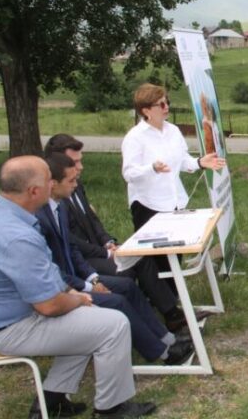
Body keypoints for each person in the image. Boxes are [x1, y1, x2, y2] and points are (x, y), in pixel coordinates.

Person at [0, 156, 156, 418]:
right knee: (112, 325)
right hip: (11, 326)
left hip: (15, 313)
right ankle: (111, 408)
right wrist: (79, 299)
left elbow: (43, 273)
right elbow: (49, 305)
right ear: (33, 191)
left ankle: (52, 402)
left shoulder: (5, 214)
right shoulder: (18, 237)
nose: (53, 184)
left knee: (88, 321)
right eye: (49, 179)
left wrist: (72, 293)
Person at [37, 153, 193, 366]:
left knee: (127, 286)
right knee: (117, 300)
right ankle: (164, 354)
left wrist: (92, 279)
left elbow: (71, 249)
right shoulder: (39, 217)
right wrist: (86, 285)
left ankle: (168, 339)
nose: (76, 185)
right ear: (53, 184)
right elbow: (50, 268)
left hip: (76, 277)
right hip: (60, 288)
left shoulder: (59, 207)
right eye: (71, 181)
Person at [43, 133, 207, 332]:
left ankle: (170, 313)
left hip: (95, 251)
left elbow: (92, 220)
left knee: (140, 258)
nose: (80, 167)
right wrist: (105, 253)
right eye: (75, 162)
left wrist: (107, 241)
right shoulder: (51, 199)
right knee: (129, 270)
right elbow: (69, 241)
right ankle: (159, 317)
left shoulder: (75, 186)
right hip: (82, 260)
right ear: (57, 164)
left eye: (80, 161)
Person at [121, 83, 225, 277]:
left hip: (175, 201)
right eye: (160, 105)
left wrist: (201, 162)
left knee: (175, 254)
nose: (166, 107)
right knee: (156, 259)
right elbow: (129, 173)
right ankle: (158, 300)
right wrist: (152, 168)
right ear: (146, 111)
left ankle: (175, 297)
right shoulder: (135, 137)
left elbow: (183, 160)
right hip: (148, 204)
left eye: (166, 102)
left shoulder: (173, 131)